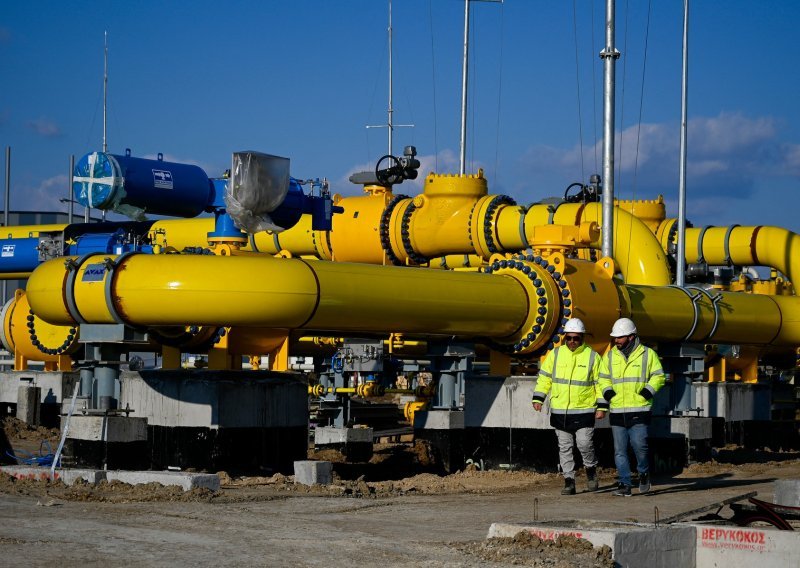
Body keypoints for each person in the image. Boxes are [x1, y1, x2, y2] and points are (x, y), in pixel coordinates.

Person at [532, 318, 607, 495]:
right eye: (569, 338)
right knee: (564, 447)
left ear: (582, 338)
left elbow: (601, 384)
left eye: (576, 338)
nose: (572, 341)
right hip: (560, 411)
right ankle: (569, 481)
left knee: (584, 444)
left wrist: (602, 407)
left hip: (584, 410)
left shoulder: (592, 357)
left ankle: (590, 470)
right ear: (565, 337)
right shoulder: (556, 354)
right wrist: (538, 398)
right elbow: (545, 378)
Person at [598, 317, 666, 497]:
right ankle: (624, 484)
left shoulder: (647, 354)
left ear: (631, 336)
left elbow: (659, 376)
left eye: (620, 337)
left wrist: (647, 392)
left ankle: (643, 473)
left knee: (640, 446)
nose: (616, 341)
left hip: (640, 409)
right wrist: (608, 394)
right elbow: (602, 378)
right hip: (617, 410)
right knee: (619, 451)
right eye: (615, 338)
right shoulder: (611, 355)